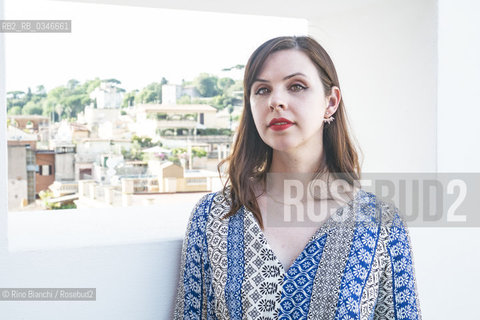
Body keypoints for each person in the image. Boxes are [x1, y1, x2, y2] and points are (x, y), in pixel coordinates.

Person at [174, 36, 422, 319]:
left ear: (330, 103)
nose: (276, 101)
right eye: (262, 90)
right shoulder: (213, 216)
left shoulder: (379, 221)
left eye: (296, 86)